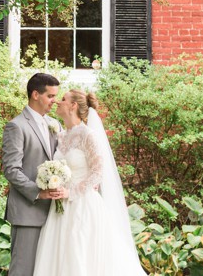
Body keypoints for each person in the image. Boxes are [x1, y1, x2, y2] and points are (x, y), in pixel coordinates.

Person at [32, 89, 148, 276]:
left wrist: (71, 193)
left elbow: (98, 172)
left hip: (82, 206)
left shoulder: (88, 135)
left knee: (79, 255)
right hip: (59, 207)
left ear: (73, 105)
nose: (57, 102)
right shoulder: (60, 136)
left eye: (63, 99)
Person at [1, 73, 65, 276]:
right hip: (28, 212)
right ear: (36, 94)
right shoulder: (16, 126)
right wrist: (39, 192)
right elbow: (11, 169)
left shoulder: (55, 124)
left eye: (56, 96)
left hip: (55, 214)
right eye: (51, 96)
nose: (55, 101)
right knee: (23, 270)